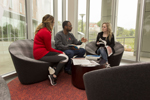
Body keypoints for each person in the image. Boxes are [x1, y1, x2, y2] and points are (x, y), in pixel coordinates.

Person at [33, 14, 68, 86]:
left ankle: (53, 69)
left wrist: (59, 53)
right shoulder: (46, 32)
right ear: (51, 23)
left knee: (61, 55)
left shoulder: (42, 30)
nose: (54, 24)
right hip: (41, 54)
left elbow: (47, 49)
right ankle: (53, 75)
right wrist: (61, 52)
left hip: (40, 53)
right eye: (54, 22)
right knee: (65, 58)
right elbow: (49, 49)